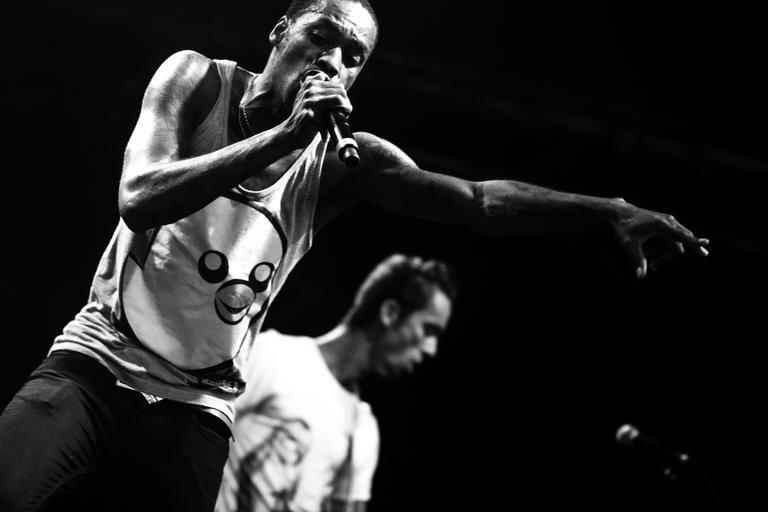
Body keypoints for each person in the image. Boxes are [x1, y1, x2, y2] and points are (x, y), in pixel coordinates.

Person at [0, 0, 709, 511]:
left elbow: (477, 200)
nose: (334, 61)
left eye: (354, 55)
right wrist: (285, 135)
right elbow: (139, 195)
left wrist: (606, 209)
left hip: (194, 411)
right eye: (323, 36)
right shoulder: (197, 79)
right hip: (93, 365)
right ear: (281, 32)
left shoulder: (343, 163)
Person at [214, 253, 457, 512]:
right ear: (390, 313)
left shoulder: (363, 429)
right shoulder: (275, 356)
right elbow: (194, 437)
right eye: (428, 330)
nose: (431, 349)